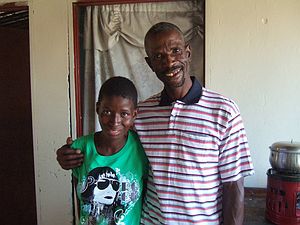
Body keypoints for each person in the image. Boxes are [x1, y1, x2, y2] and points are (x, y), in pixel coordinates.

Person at [57, 22, 254, 225]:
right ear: (150, 64)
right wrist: (71, 154)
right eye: (158, 56)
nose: (169, 62)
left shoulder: (224, 112)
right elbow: (112, 145)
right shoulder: (142, 114)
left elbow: (234, 187)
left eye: (176, 51)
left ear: (187, 52)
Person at [66, 76, 148, 225]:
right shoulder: (80, 149)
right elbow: (80, 198)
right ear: (98, 109)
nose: (115, 121)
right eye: (107, 112)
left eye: (124, 114)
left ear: (134, 114)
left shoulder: (142, 149)